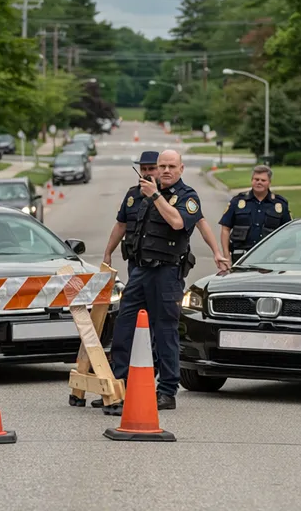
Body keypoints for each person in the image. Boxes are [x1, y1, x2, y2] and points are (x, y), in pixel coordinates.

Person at [103, 149, 204, 413]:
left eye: (172, 166)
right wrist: (107, 252)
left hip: (167, 273)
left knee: (165, 332)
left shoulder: (188, 197)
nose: (166, 170)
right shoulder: (144, 194)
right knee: (123, 326)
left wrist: (156, 196)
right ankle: (120, 385)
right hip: (140, 271)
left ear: (181, 168)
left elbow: (178, 222)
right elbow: (125, 225)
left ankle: (167, 391)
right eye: (162, 166)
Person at [219, 165, 292, 264]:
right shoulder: (237, 201)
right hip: (240, 259)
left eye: (263, 180)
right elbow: (225, 229)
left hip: (269, 261)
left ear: (269, 182)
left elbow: (288, 233)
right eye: (256, 179)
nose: (259, 182)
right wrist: (226, 256)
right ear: (251, 180)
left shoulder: (280, 205)